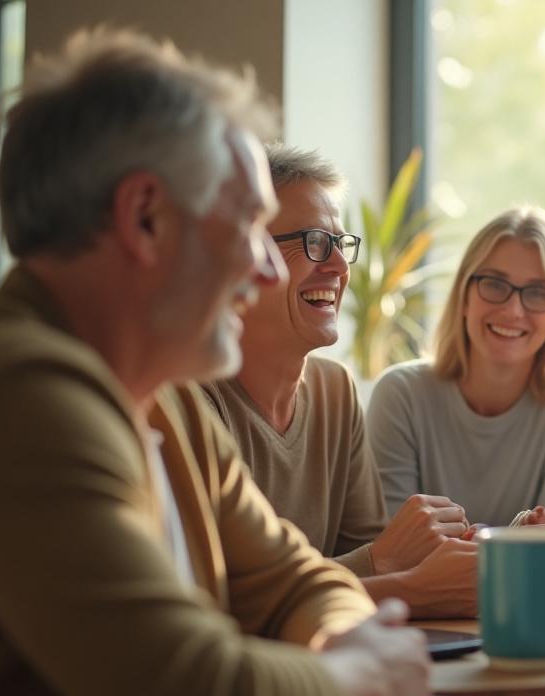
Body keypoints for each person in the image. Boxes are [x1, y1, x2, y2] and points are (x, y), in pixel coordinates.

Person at [0, 30, 428, 696]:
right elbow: (188, 692)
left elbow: (292, 580)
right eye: (248, 225)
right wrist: (362, 678)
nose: (268, 268)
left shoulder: (165, 398)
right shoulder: (16, 394)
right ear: (145, 217)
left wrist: (349, 637)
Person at [203, 143, 476, 618]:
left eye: (340, 244)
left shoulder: (334, 390)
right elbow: (223, 604)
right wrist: (396, 573)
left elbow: (373, 558)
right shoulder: (193, 401)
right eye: (313, 242)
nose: (337, 267)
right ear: (245, 256)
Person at [366, 205, 545, 529]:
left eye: (537, 293)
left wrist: (457, 542)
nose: (512, 310)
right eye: (495, 284)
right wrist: (512, 541)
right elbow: (391, 550)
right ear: (464, 297)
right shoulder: (400, 394)